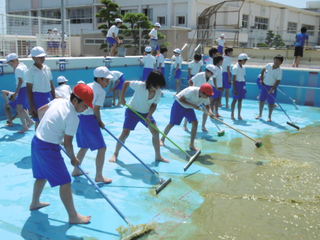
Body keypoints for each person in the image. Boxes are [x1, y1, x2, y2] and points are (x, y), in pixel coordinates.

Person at [29, 83, 93, 224]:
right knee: (65, 182)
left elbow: (41, 110)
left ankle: (34, 202)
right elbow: (68, 143)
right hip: (48, 148)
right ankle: (73, 216)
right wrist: (74, 158)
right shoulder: (73, 118)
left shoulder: (58, 101)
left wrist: (49, 129)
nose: (86, 108)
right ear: (75, 100)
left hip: (37, 141)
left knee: (41, 176)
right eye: (85, 105)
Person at [109, 71, 169, 163]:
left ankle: (158, 156)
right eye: (157, 85)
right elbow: (126, 83)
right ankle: (115, 153)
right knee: (125, 133)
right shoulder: (140, 85)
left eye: (159, 86)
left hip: (146, 114)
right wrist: (122, 98)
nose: (158, 88)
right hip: (132, 111)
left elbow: (154, 105)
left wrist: (149, 115)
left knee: (156, 132)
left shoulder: (158, 91)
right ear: (151, 82)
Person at [72, 66, 113, 184]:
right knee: (102, 148)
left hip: (79, 118)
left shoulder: (88, 86)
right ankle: (99, 176)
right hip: (89, 120)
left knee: (84, 146)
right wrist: (100, 122)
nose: (108, 82)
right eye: (106, 80)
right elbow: (96, 109)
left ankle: (76, 170)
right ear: (99, 79)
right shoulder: (101, 91)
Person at [160, 83, 214, 151]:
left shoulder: (205, 96)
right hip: (179, 105)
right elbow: (181, 99)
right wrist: (193, 105)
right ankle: (162, 139)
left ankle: (191, 145)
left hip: (188, 108)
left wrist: (210, 112)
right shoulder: (192, 91)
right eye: (207, 95)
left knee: (195, 123)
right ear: (202, 92)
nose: (208, 97)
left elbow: (207, 105)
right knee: (172, 123)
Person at [26, 46, 55, 126]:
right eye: (39, 57)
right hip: (37, 98)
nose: (42, 58)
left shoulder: (47, 68)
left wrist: (54, 98)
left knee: (49, 120)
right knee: (39, 122)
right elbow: (29, 90)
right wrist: (32, 106)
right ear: (33, 58)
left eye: (43, 57)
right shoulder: (30, 71)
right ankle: (38, 138)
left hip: (48, 96)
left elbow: (51, 84)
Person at [5, 53, 34, 132]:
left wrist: (16, 93)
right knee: (21, 108)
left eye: (9, 63)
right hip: (27, 88)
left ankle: (25, 126)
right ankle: (30, 122)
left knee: (19, 108)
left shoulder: (18, 69)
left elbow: (20, 81)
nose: (9, 65)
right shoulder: (23, 66)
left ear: (14, 61)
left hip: (22, 89)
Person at [185, 64, 215, 132]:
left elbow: (211, 89)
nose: (212, 74)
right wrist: (191, 89)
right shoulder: (199, 75)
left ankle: (203, 126)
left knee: (206, 111)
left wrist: (211, 112)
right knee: (189, 109)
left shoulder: (211, 79)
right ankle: (185, 125)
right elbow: (190, 81)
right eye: (211, 73)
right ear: (207, 71)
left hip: (204, 96)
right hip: (195, 94)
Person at [256, 55, 284, 122]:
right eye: (275, 60)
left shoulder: (280, 71)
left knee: (271, 103)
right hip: (264, 86)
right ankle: (260, 114)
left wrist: (272, 89)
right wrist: (262, 79)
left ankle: (269, 117)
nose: (276, 62)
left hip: (272, 87)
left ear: (281, 62)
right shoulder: (268, 65)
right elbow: (263, 70)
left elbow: (278, 81)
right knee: (261, 100)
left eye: (278, 61)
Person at [231, 53, 249, 120]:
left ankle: (239, 114)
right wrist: (235, 89)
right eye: (245, 60)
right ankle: (232, 114)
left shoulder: (243, 67)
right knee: (235, 100)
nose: (246, 62)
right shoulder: (235, 67)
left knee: (240, 100)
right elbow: (234, 79)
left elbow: (244, 76)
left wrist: (244, 86)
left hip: (242, 84)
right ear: (241, 60)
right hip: (237, 84)